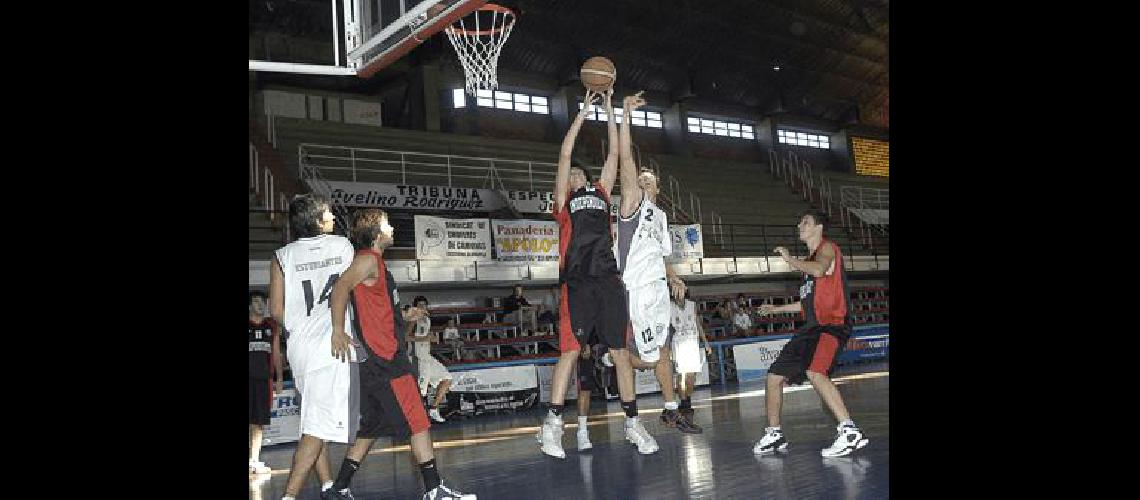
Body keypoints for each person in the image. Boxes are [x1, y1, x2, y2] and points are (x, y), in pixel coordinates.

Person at [539, 88, 658, 458]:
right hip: (577, 282)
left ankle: (633, 423)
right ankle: (554, 425)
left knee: (621, 352)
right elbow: (564, 151)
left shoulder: (602, 192)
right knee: (571, 353)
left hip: (608, 278)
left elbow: (613, 153)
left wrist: (608, 109)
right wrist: (583, 111)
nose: (573, 172)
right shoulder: (563, 200)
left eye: (578, 171)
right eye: (571, 173)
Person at [326, 208, 475, 500]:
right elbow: (340, 286)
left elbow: (380, 311)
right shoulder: (368, 260)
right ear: (376, 233)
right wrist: (336, 329)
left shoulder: (377, 265)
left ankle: (339, 488)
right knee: (418, 420)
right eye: (387, 224)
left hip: (373, 362)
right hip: (386, 361)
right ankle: (434, 490)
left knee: (370, 427)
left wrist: (407, 315)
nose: (392, 228)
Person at [614, 90, 699, 433]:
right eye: (640, 179)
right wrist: (625, 116)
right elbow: (625, 159)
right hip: (636, 289)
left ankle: (670, 408)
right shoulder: (631, 205)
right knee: (648, 358)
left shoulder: (661, 216)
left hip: (659, 287)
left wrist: (674, 277)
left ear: (657, 187)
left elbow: (663, 256)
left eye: (649, 180)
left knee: (663, 351)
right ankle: (615, 356)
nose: (642, 181)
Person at [752, 211, 869, 458]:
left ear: (819, 227)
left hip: (832, 324)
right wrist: (776, 309)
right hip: (812, 328)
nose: (799, 225)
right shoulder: (808, 265)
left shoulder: (827, 249)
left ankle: (849, 432)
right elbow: (806, 303)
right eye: (799, 222)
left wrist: (789, 259)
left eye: (805, 222)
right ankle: (774, 433)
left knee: (815, 372)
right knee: (774, 377)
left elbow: (820, 270)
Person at [271, 194, 354, 499]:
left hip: (300, 349)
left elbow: (276, 311)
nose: (333, 216)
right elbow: (353, 289)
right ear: (318, 221)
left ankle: (329, 486)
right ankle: (289, 495)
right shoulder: (342, 246)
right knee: (316, 428)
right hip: (333, 346)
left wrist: (300, 326)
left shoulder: (282, 256)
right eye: (329, 213)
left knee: (313, 417)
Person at [249, 290, 284, 474]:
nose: (260, 304)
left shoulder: (272, 326)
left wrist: (279, 378)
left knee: (258, 422)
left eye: (263, 301)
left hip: (263, 381)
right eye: (256, 301)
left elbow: (277, 354)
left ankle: (254, 461)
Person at [406, 295, 454, 423]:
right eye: (420, 305)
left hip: (426, 356)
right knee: (420, 392)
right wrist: (424, 339)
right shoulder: (413, 319)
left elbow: (425, 336)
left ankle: (433, 408)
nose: (422, 308)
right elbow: (405, 337)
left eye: (424, 305)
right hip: (417, 358)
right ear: (415, 307)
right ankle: (414, 420)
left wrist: (432, 338)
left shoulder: (427, 319)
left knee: (447, 378)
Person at [669, 290, 713, 427]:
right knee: (681, 376)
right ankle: (684, 403)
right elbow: (667, 328)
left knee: (691, 377)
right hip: (678, 343)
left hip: (692, 342)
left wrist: (705, 342)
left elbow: (698, 324)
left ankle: (687, 398)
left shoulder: (691, 305)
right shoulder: (669, 306)